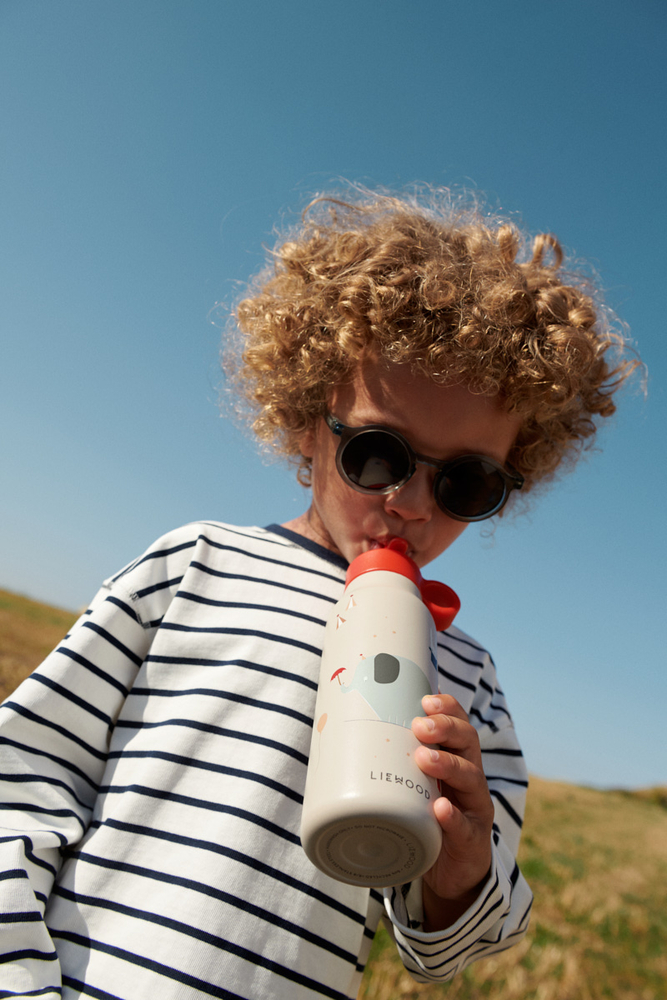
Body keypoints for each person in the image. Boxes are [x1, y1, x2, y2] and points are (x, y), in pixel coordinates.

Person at [0, 188, 636, 999]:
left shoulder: (466, 677)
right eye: (377, 454)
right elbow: (24, 780)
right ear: (308, 420)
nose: (409, 502)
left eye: (465, 483)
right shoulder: (195, 565)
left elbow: (449, 950)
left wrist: (461, 871)